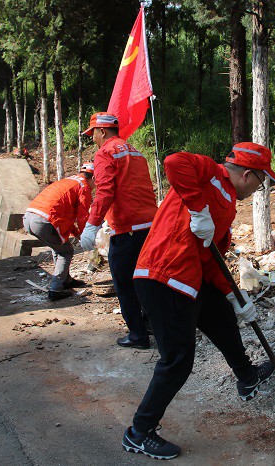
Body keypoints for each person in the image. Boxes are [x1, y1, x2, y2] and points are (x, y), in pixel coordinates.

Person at [121, 142, 275, 460]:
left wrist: (235, 297)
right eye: (260, 182)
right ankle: (139, 433)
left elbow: (213, 259)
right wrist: (197, 208)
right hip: (162, 277)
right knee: (178, 359)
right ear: (247, 175)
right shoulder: (209, 173)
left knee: (222, 316)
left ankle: (247, 378)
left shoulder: (229, 205)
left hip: (191, 278)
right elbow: (173, 161)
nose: (259, 189)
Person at [79, 112, 158, 349]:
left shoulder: (105, 153)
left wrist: (92, 225)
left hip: (128, 229)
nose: (92, 138)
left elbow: (104, 191)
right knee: (144, 280)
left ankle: (138, 336)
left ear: (102, 131)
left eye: (92, 133)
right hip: (149, 225)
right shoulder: (135, 152)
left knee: (124, 285)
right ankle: (152, 324)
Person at [24, 163, 95, 301]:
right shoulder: (83, 187)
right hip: (44, 220)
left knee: (59, 246)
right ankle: (55, 290)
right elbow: (82, 217)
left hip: (30, 217)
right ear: (94, 178)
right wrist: (87, 236)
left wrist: (78, 234)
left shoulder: (70, 181)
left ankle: (65, 280)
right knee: (65, 251)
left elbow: (70, 218)